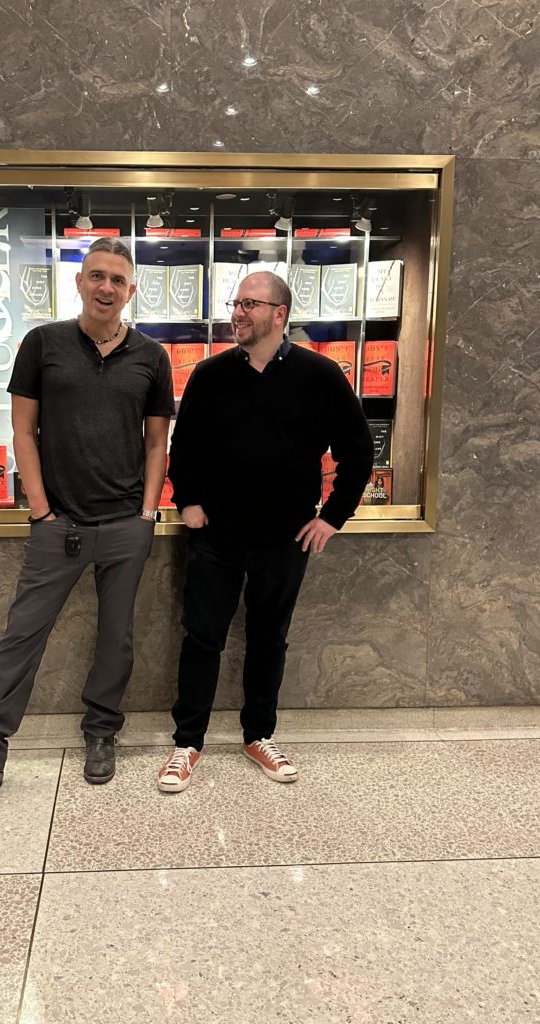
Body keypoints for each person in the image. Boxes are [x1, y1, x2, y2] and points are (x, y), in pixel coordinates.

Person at [0, 238, 174, 787]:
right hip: (57, 524)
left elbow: (157, 442)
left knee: (116, 637)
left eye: (117, 279)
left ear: (131, 291)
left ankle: (101, 733)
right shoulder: (43, 344)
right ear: (79, 281)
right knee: (22, 633)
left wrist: (147, 513)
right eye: (97, 276)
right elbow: (23, 431)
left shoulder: (152, 357)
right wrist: (41, 511)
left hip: (125, 524)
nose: (106, 287)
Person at [157, 271, 374, 793]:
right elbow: (184, 448)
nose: (238, 312)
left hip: (285, 537)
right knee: (202, 637)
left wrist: (333, 516)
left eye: (250, 304)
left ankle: (258, 735)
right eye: (236, 303)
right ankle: (187, 742)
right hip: (216, 537)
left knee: (269, 638)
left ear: (280, 314)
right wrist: (188, 501)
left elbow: (358, 451)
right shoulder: (210, 375)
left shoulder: (320, 375)